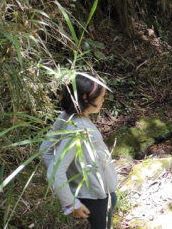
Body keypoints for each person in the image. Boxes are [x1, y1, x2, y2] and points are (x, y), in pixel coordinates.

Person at [40, 73, 118, 229]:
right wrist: (70, 203)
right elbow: (55, 172)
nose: (103, 100)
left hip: (97, 191)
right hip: (97, 196)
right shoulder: (79, 129)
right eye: (101, 97)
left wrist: (70, 181)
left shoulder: (67, 116)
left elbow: (44, 149)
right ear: (85, 98)